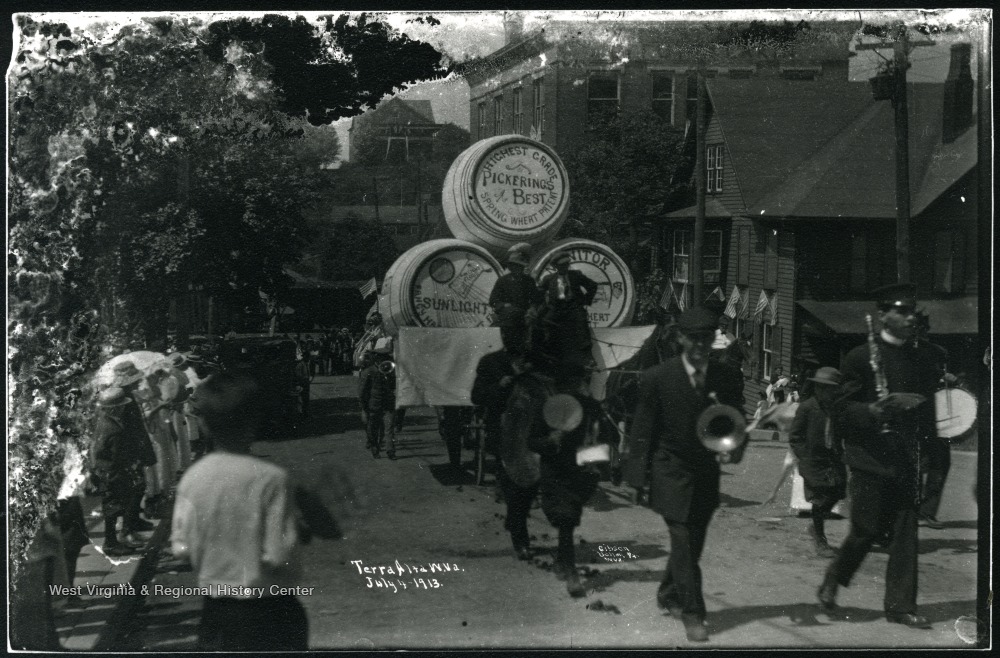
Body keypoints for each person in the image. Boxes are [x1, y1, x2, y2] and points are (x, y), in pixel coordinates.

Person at [817, 282, 942, 630]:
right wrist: (872, 411)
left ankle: (900, 607)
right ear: (883, 315)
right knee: (865, 531)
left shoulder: (921, 356)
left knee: (905, 532)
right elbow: (840, 408)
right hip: (869, 457)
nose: (908, 317)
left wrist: (931, 452)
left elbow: (927, 408)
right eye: (900, 311)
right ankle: (834, 578)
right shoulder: (860, 357)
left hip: (905, 456)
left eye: (911, 310)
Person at [624, 305, 745, 642]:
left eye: (706, 338)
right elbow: (642, 430)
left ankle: (667, 592)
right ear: (680, 338)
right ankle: (693, 613)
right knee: (683, 536)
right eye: (693, 338)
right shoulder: (657, 378)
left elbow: (735, 418)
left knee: (692, 544)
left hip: (706, 472)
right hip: (670, 469)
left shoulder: (725, 377)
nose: (700, 345)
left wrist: (735, 447)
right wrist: (636, 478)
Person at [171, 371, 310, 651]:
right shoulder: (271, 478)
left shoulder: (192, 477)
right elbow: (279, 553)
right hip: (268, 607)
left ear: (205, 424)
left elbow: (181, 549)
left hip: (216, 609)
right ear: (254, 423)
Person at [526, 363, 606, 598]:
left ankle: (562, 561)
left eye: (576, 381)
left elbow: (605, 439)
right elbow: (532, 441)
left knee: (568, 519)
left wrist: (597, 457)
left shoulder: (591, 407)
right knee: (566, 519)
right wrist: (550, 441)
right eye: (566, 383)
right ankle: (571, 572)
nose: (572, 387)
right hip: (555, 470)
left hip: (582, 470)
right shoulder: (547, 408)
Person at [472, 306, 530, 556]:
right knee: (514, 484)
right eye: (508, 333)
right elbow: (476, 396)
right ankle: (521, 537)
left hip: (533, 433)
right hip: (504, 432)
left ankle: (516, 518)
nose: (512, 337)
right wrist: (499, 387)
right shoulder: (490, 363)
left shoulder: (534, 364)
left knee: (531, 486)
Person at [90, 386, 156, 556]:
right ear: (114, 408)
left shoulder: (105, 421)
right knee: (113, 508)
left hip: (107, 472)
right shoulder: (113, 429)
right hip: (113, 473)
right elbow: (115, 455)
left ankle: (114, 540)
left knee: (114, 506)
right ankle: (110, 543)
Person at [788, 367, 847, 558]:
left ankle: (815, 526)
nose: (824, 392)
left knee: (838, 493)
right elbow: (795, 436)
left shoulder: (838, 408)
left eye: (830, 388)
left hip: (833, 459)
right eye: (821, 388)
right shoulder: (807, 407)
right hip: (814, 461)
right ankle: (820, 538)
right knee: (820, 498)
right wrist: (805, 456)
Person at [109, 361, 161, 522]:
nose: (138, 382)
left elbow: (152, 395)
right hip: (129, 447)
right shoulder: (120, 400)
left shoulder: (131, 396)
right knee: (134, 485)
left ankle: (134, 520)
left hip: (137, 442)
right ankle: (128, 523)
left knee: (139, 483)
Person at [535, 251, 598, 369]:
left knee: (581, 322)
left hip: (573, 306)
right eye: (561, 265)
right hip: (557, 307)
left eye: (566, 264)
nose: (564, 267)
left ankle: (588, 356)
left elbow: (592, 285)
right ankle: (549, 354)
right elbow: (539, 292)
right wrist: (543, 304)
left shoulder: (576, 275)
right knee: (546, 322)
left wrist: (585, 300)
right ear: (556, 266)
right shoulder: (549, 278)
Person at [358, 345, 398, 459]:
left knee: (389, 428)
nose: (384, 360)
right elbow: (362, 391)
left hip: (388, 403)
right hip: (374, 404)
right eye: (381, 358)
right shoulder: (369, 372)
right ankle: (374, 447)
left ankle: (391, 451)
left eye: (386, 357)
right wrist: (364, 405)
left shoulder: (390, 370)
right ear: (376, 359)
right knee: (373, 428)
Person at [489, 242, 543, 321]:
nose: (518, 269)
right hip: (507, 315)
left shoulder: (529, 280)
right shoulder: (503, 281)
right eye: (515, 266)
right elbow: (493, 300)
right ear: (510, 267)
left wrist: (533, 308)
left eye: (520, 266)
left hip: (524, 315)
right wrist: (504, 305)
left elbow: (535, 298)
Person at [293, 349, 311, 418]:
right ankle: (302, 413)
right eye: (307, 357)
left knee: (306, 399)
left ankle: (306, 412)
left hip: (306, 383)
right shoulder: (300, 365)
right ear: (305, 357)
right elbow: (298, 376)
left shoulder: (306, 364)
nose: (308, 358)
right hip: (302, 383)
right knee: (302, 399)